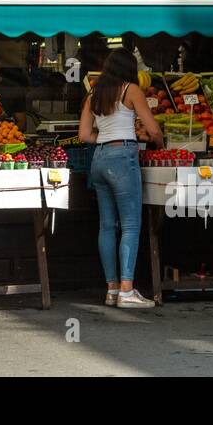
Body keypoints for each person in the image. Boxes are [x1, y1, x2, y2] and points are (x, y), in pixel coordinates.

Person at [79, 49, 165, 308]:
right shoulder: (131, 90)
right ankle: (127, 290)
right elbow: (152, 129)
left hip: (99, 158)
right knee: (130, 224)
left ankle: (112, 289)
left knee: (106, 226)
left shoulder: (93, 93)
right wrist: (157, 141)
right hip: (122, 157)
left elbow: (84, 135)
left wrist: (104, 140)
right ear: (129, 69)